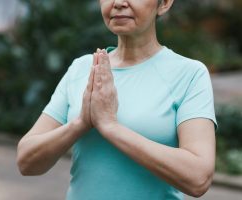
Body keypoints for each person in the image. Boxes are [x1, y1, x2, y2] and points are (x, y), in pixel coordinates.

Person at [17, 0, 218, 199]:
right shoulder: (82, 68)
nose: (119, 3)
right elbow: (26, 161)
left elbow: (198, 178)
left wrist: (110, 127)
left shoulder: (189, 74)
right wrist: (80, 124)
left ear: (164, 3)